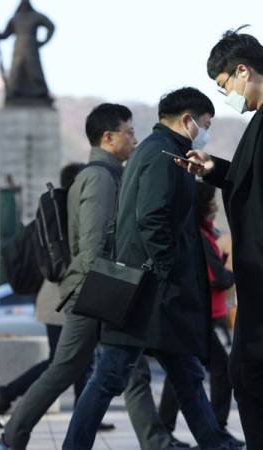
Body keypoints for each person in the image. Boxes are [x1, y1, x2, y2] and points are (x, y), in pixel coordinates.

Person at [0, 104, 185, 450]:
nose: (134, 138)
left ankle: (154, 441)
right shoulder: (100, 178)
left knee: (122, 368)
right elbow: (95, 245)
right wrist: (114, 293)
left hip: (96, 289)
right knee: (68, 368)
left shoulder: (106, 175)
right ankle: (13, 436)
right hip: (94, 292)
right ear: (108, 138)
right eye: (128, 131)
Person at [62, 88, 243, 450]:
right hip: (148, 292)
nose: (206, 131)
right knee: (109, 378)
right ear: (188, 120)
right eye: (205, 124)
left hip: (153, 290)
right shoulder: (165, 157)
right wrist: (169, 268)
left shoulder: (159, 151)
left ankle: (215, 441)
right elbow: (152, 218)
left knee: (187, 373)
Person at [177, 26, 263, 449]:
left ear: (243, 71)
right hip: (253, 275)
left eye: (224, 85)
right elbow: (251, 182)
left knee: (247, 377)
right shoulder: (257, 123)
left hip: (260, 272)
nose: (227, 94)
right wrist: (216, 170)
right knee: (243, 376)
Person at [0, 163, 115, 432]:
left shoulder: (59, 210)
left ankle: (84, 415)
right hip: (60, 297)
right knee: (64, 363)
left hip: (54, 296)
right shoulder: (73, 212)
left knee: (76, 360)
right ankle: (8, 394)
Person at [159, 182, 242, 445]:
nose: (215, 207)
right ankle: (215, 427)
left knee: (182, 372)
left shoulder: (199, 232)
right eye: (211, 202)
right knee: (219, 371)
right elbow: (218, 277)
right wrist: (233, 273)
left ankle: (168, 429)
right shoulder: (199, 234)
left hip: (197, 313)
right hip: (199, 315)